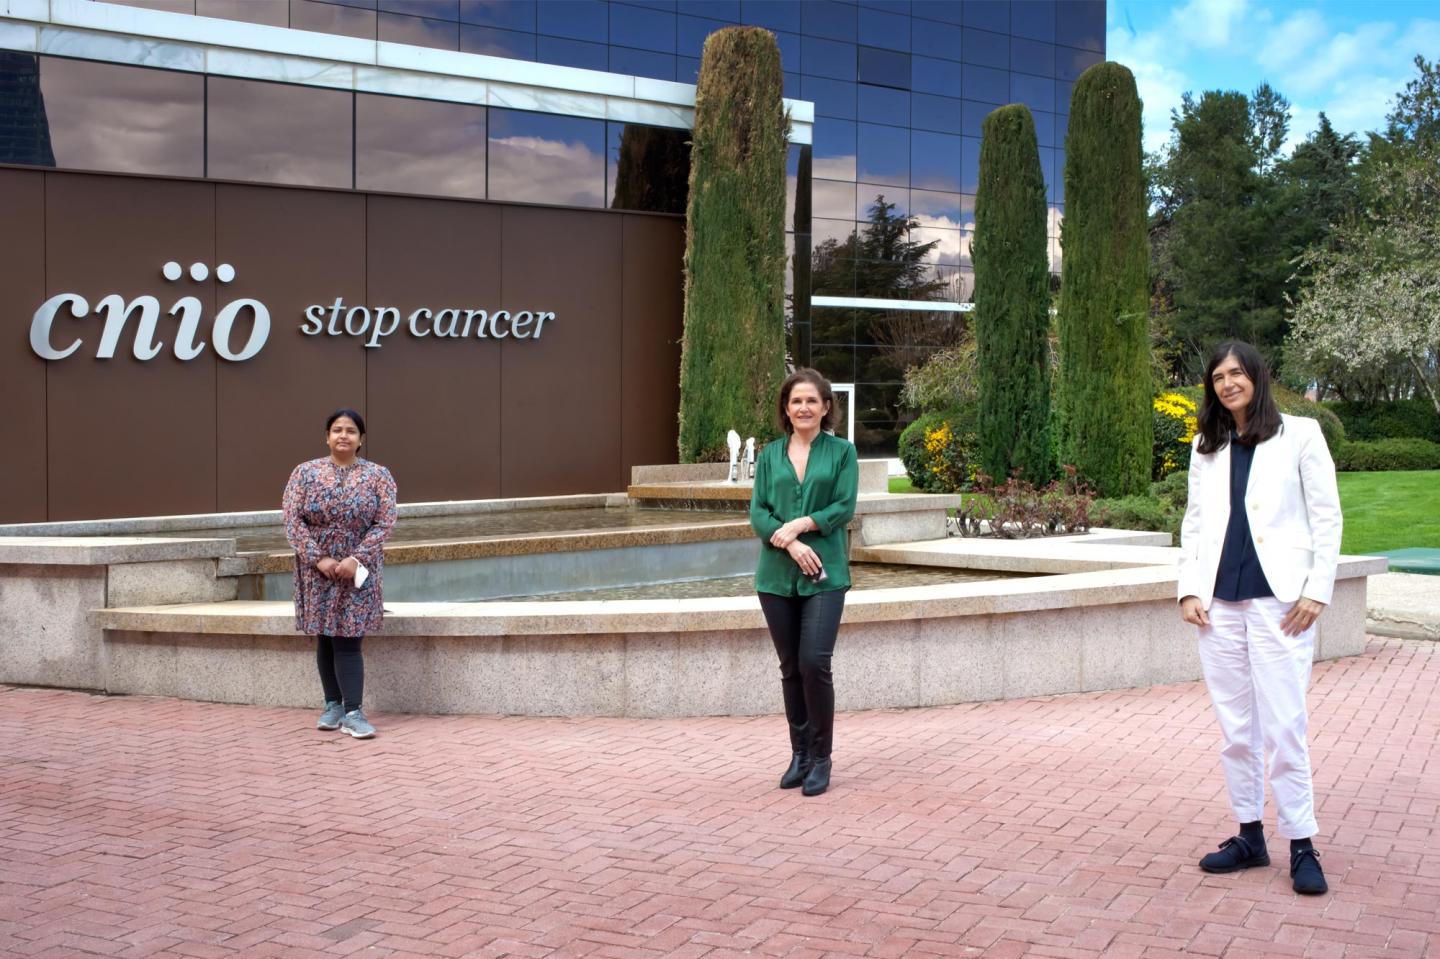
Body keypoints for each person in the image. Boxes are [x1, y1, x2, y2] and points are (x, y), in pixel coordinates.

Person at [1177, 341, 1342, 895]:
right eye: (1218, 377)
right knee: (1236, 729)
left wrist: (1317, 591)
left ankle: (1302, 843)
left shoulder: (1301, 433)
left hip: (1282, 605)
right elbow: (1195, 523)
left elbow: (1327, 517)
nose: (1227, 383)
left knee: (1284, 725)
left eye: (1236, 373)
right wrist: (1187, 590)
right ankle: (1249, 835)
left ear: (1256, 376)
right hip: (1217, 605)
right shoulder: (1207, 444)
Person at [749, 369, 859, 797]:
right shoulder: (769, 456)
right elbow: (758, 512)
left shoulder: (842, 454)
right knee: (791, 667)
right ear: (785, 408)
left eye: (812, 401)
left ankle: (822, 757)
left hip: (826, 574)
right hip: (776, 576)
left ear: (826, 407)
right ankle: (799, 754)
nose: (804, 408)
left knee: (815, 662)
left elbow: (844, 506)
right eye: (796, 401)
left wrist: (801, 524)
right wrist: (792, 544)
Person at [283, 408, 398, 739]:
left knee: (349, 638)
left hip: (358, 571)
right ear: (327, 436)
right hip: (317, 570)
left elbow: (386, 521)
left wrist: (356, 557)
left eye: (350, 430)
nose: (343, 435)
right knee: (325, 636)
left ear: (361, 439)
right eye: (337, 430)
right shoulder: (305, 473)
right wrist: (318, 558)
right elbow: (292, 521)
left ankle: (353, 712)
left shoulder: (378, 475)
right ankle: (332, 704)